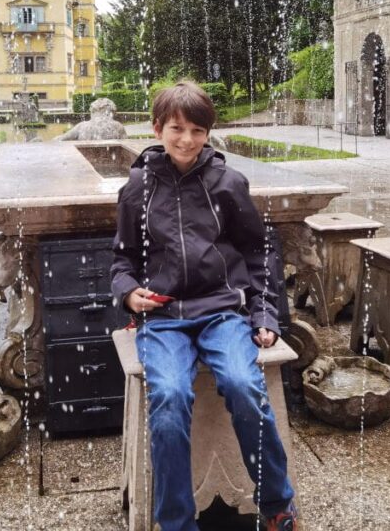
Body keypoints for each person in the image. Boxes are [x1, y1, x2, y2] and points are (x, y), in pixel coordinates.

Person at [111, 81, 300, 531]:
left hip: (222, 312)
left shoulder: (228, 182)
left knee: (243, 385)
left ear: (208, 132)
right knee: (171, 400)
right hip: (163, 319)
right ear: (157, 128)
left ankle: (276, 506)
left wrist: (264, 314)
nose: (187, 139)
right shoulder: (137, 187)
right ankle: (177, 522)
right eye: (177, 128)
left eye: (198, 130)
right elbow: (122, 257)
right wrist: (128, 292)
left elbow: (258, 253)